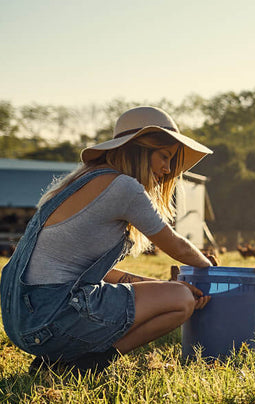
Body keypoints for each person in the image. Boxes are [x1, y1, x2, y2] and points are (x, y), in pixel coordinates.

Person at [1, 106, 217, 373]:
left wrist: (162, 286)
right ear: (140, 149)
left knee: (176, 293)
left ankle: (61, 359)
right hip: (53, 317)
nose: (167, 169)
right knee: (182, 301)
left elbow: (88, 272)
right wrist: (210, 269)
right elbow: (174, 243)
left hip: (23, 320)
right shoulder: (122, 186)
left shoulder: (79, 183)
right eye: (164, 156)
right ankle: (93, 362)